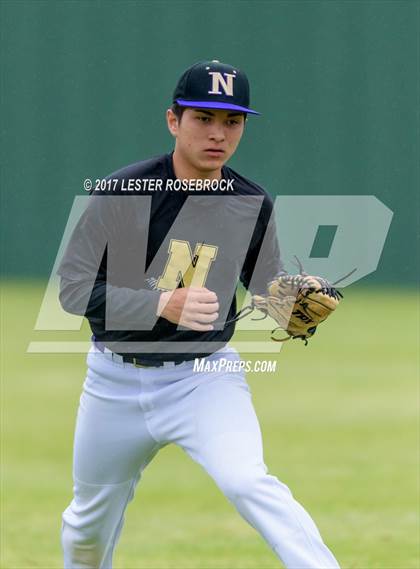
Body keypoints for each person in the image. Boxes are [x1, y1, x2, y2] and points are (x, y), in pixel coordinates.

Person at [58, 59, 340, 569]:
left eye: (232, 122)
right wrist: (160, 303)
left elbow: (267, 290)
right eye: (203, 118)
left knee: (249, 482)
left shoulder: (251, 202)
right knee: (86, 529)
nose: (218, 134)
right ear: (173, 121)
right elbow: (73, 291)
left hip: (203, 377)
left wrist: (294, 303)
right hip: (113, 382)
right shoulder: (123, 193)